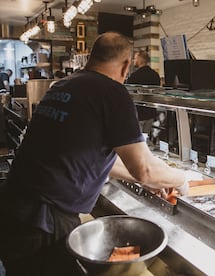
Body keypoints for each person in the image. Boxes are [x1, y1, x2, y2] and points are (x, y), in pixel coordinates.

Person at [0, 32, 188, 276]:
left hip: (13, 208)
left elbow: (98, 159)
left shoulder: (64, 85)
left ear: (91, 58)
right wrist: (181, 179)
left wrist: (146, 180)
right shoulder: (112, 92)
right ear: (126, 65)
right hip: (43, 220)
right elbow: (146, 169)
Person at [127, 50, 160, 134]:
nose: (133, 61)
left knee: (137, 140)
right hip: (151, 114)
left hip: (138, 114)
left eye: (135, 58)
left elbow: (129, 97)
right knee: (146, 138)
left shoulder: (134, 76)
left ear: (140, 60)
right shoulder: (155, 75)